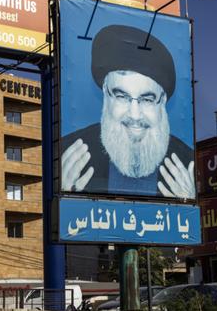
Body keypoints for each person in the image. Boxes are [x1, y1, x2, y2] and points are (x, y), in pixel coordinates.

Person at [61, 24, 195, 198]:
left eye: (147, 99)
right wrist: (63, 201)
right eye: (121, 96)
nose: (134, 114)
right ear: (105, 94)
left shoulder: (187, 164)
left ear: (162, 101)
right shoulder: (68, 157)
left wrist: (188, 203)